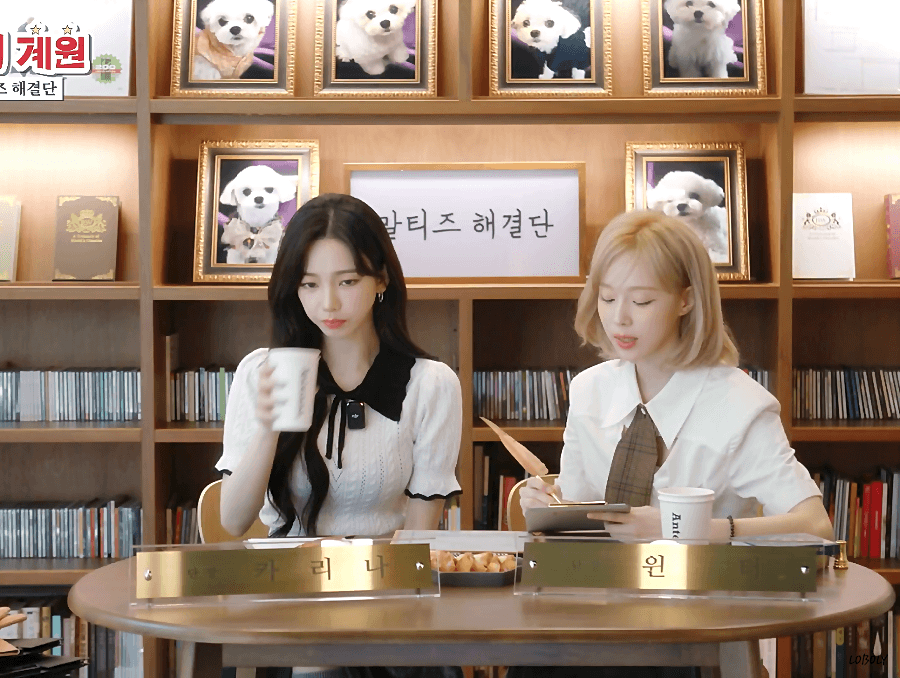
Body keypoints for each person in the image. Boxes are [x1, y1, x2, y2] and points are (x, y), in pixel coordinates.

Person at [513, 209, 833, 678]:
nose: (619, 318)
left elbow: (816, 527)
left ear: (686, 300)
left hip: (698, 634)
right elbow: (579, 516)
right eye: (607, 297)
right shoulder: (589, 390)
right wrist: (547, 501)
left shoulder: (739, 405)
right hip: (592, 623)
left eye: (642, 301)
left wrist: (692, 529)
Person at [215, 193, 463, 678]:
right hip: (287, 598)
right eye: (309, 284)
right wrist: (268, 428)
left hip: (388, 601)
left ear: (381, 280)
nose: (327, 303)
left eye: (347, 281)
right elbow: (234, 519)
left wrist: (364, 613)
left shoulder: (430, 384)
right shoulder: (260, 372)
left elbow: (417, 542)